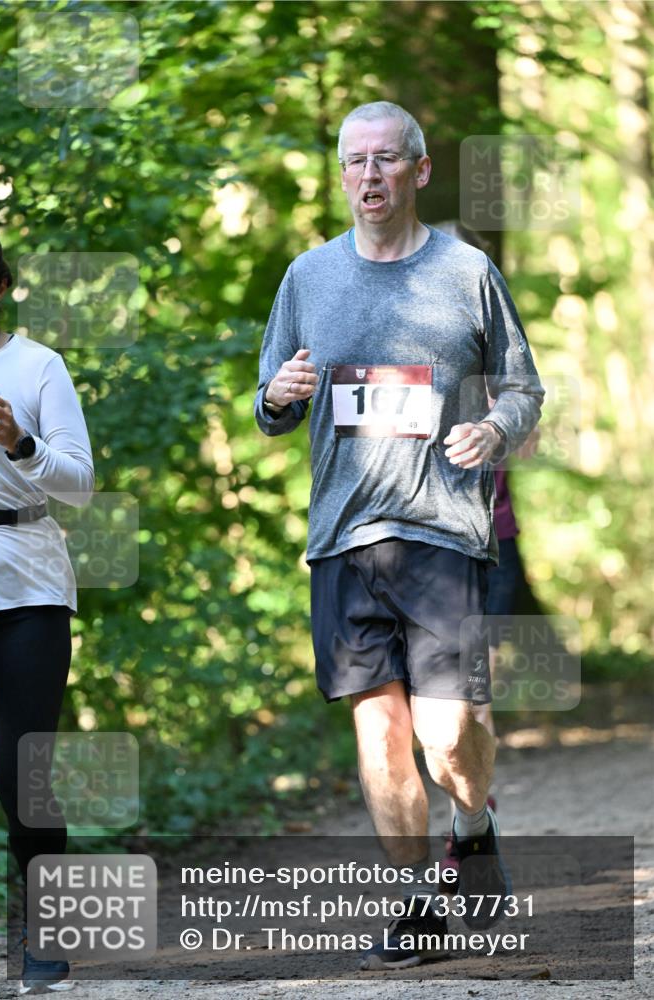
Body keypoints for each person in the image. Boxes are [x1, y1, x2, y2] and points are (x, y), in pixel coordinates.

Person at [254, 102, 544, 970]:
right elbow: (268, 403)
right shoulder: (307, 278)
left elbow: (522, 388)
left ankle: (474, 822)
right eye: (354, 161)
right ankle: (417, 904)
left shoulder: (466, 272)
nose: (369, 175)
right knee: (380, 734)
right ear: (340, 175)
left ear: (418, 170)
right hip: (343, 538)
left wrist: (493, 429)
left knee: (448, 735)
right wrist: (278, 395)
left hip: (444, 533)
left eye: (386, 159)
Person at [0, 226, 94, 994]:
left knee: (22, 764)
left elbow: (81, 484)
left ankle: (46, 924)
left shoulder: (36, 366)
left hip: (27, 586)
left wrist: (23, 445)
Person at [434, 221, 540, 873]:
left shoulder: (495, 352)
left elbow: (523, 430)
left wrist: (491, 418)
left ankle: (469, 830)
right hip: (398, 552)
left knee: (468, 700)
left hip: (484, 548)